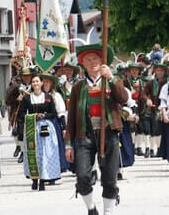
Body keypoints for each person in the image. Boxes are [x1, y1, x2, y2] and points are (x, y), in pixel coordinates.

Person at [65, 44, 128, 215]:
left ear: (102, 61)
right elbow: (71, 118)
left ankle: (108, 211)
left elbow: (123, 98)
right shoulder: (78, 87)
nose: (92, 62)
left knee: (109, 177)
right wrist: (68, 145)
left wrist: (112, 78)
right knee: (83, 176)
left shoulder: (112, 80)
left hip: (109, 132)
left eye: (95, 58)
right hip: (85, 134)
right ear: (82, 64)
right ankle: (91, 209)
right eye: (88, 59)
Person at [17, 74, 61, 191]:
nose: (35, 84)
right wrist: (32, 116)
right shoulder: (27, 98)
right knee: (33, 153)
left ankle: (43, 180)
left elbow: (54, 113)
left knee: (44, 154)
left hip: (45, 127)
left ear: (41, 83)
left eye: (37, 81)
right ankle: (34, 179)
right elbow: (21, 114)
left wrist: (44, 115)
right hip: (32, 127)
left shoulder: (48, 97)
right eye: (33, 82)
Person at [41, 73, 71, 174]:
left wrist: (64, 128)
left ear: (51, 84)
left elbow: (61, 113)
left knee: (54, 146)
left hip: (53, 123)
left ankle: (57, 166)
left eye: (47, 82)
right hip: (40, 124)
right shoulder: (37, 96)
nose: (45, 84)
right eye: (44, 81)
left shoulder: (56, 96)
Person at [142, 63, 167, 157]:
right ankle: (153, 149)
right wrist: (147, 99)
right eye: (157, 70)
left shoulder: (167, 82)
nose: (159, 72)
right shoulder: (151, 83)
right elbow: (143, 93)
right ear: (155, 71)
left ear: (164, 72)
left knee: (160, 130)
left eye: (161, 70)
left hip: (165, 108)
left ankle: (161, 149)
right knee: (154, 129)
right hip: (154, 109)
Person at [124, 62, 146, 157]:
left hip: (140, 104)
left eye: (136, 70)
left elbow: (143, 93)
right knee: (131, 126)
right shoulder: (126, 81)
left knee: (140, 126)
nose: (134, 71)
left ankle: (139, 147)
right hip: (130, 104)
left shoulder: (141, 81)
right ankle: (132, 146)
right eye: (132, 70)